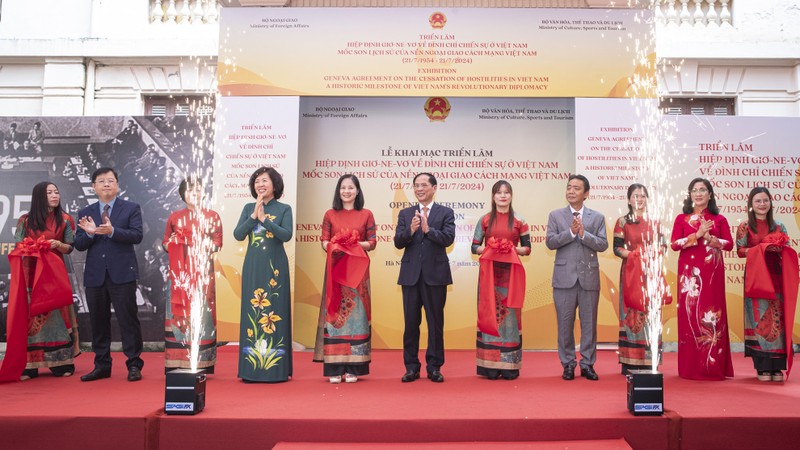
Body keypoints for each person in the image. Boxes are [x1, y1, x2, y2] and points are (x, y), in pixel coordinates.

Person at [0, 182, 79, 381]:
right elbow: (18, 245)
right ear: (38, 197)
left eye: (56, 192)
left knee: (57, 318)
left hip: (54, 275)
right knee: (30, 319)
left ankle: (61, 362)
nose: (54, 195)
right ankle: (30, 366)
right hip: (31, 275)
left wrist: (58, 244)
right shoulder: (25, 221)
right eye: (49, 193)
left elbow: (70, 248)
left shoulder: (66, 220)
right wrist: (34, 246)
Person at [74, 167, 145, 382]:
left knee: (128, 320)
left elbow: (137, 235)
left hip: (122, 273)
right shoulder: (86, 212)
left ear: (117, 185)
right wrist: (89, 232)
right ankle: (102, 365)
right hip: (96, 275)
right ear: (93, 186)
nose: (107, 184)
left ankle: (134, 364)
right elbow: (79, 244)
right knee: (98, 321)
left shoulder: (131, 208)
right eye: (102, 181)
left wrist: (112, 231)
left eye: (111, 180)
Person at [312, 174, 377, 383]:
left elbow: (373, 242)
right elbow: (323, 241)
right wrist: (336, 246)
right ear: (338, 191)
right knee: (334, 312)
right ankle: (334, 368)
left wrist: (353, 246)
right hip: (335, 267)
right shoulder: (330, 214)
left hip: (357, 269)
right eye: (343, 188)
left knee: (357, 316)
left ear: (357, 191)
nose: (346, 191)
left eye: (351, 187)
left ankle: (353, 368)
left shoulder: (366, 214)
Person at [545, 174, 608, 381]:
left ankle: (588, 364)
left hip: (589, 278)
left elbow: (603, 244)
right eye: (569, 187)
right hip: (564, 278)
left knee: (589, 323)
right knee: (565, 324)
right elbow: (551, 243)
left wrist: (583, 234)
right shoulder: (556, 215)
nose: (571, 191)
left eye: (576, 188)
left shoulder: (597, 217)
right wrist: (570, 233)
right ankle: (568, 364)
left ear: (586, 193)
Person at [233, 167, 293, 383]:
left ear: (274, 184)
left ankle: (275, 369)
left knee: (275, 311)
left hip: (275, 268)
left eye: (265, 181)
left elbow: (286, 235)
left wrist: (265, 220)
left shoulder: (284, 208)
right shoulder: (249, 207)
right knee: (253, 312)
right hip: (253, 267)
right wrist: (253, 217)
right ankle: (251, 369)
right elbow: (238, 234)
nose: (260, 185)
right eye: (257, 181)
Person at [394, 172, 455, 383]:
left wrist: (429, 230)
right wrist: (410, 231)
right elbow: (398, 242)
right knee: (411, 324)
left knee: (435, 324)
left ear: (434, 188)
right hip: (410, 277)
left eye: (424, 185)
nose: (419, 189)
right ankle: (411, 367)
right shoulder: (405, 213)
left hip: (435, 276)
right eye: (416, 185)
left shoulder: (445, 212)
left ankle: (434, 367)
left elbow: (448, 239)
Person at [670, 177, 734, 380]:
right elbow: (674, 244)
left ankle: (712, 367)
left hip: (712, 273)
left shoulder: (719, 219)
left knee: (712, 315)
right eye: (694, 190)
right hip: (689, 276)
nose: (698, 193)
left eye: (703, 190)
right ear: (690, 195)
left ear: (710, 194)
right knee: (691, 314)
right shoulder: (682, 218)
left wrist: (710, 238)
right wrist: (697, 235)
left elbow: (729, 244)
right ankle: (691, 368)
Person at [735, 186, 797, 382]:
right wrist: (761, 248)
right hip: (755, 278)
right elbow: (740, 251)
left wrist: (777, 248)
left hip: (776, 277)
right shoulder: (745, 226)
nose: (762, 204)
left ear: (771, 203)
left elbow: (786, 249)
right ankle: (762, 367)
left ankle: (777, 367)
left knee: (777, 321)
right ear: (751, 205)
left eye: (765, 201)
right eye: (758, 201)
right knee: (758, 319)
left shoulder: (779, 226)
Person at [471, 180, 531, 380]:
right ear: (493, 196)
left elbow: (527, 248)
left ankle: (510, 365)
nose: (503, 196)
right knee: (490, 316)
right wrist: (492, 250)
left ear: (511, 196)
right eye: (499, 192)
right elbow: (474, 247)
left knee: (510, 319)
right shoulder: (485, 220)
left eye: (506, 192)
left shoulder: (520, 221)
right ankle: (489, 365)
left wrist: (510, 249)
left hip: (511, 277)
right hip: (489, 276)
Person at [162, 177, 223, 373]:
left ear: (204, 192)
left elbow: (218, 243)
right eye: (189, 190)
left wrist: (197, 243)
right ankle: (178, 360)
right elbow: (165, 243)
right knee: (178, 312)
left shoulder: (212, 216)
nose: (194, 193)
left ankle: (203, 362)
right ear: (182, 194)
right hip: (179, 276)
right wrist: (175, 242)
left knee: (202, 312)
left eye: (198, 189)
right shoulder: (174, 217)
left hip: (203, 274)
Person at [613, 183, 665, 374]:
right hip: (630, 273)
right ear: (629, 200)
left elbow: (663, 246)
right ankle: (630, 362)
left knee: (652, 315)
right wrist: (635, 255)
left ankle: (650, 360)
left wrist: (651, 254)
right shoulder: (622, 222)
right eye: (635, 196)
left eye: (643, 196)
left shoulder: (654, 221)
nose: (639, 199)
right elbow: (617, 248)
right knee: (631, 314)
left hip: (650, 274)